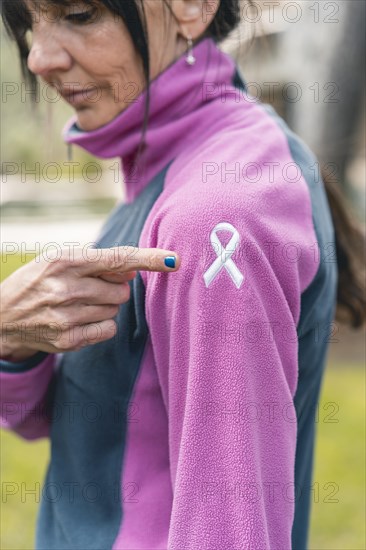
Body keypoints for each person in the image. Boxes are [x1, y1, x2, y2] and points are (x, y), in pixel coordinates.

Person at [0, 1, 364, 549]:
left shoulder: (214, 214)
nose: (40, 59)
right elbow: (90, 422)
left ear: (191, 7)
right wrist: (13, 335)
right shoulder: (178, 163)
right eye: (30, 26)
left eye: (78, 14)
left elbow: (231, 533)